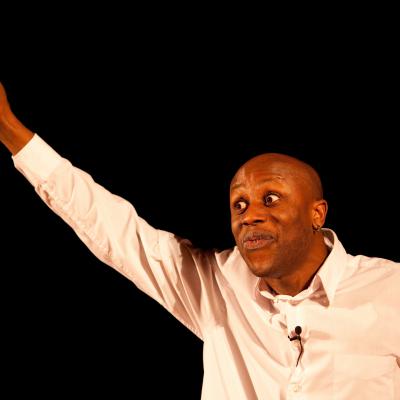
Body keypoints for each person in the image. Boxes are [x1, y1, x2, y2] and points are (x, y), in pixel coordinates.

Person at [0, 81, 399, 400]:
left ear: (317, 213)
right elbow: (113, 228)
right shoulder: (217, 284)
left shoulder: (390, 289)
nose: (249, 215)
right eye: (239, 204)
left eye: (271, 199)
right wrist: (10, 131)